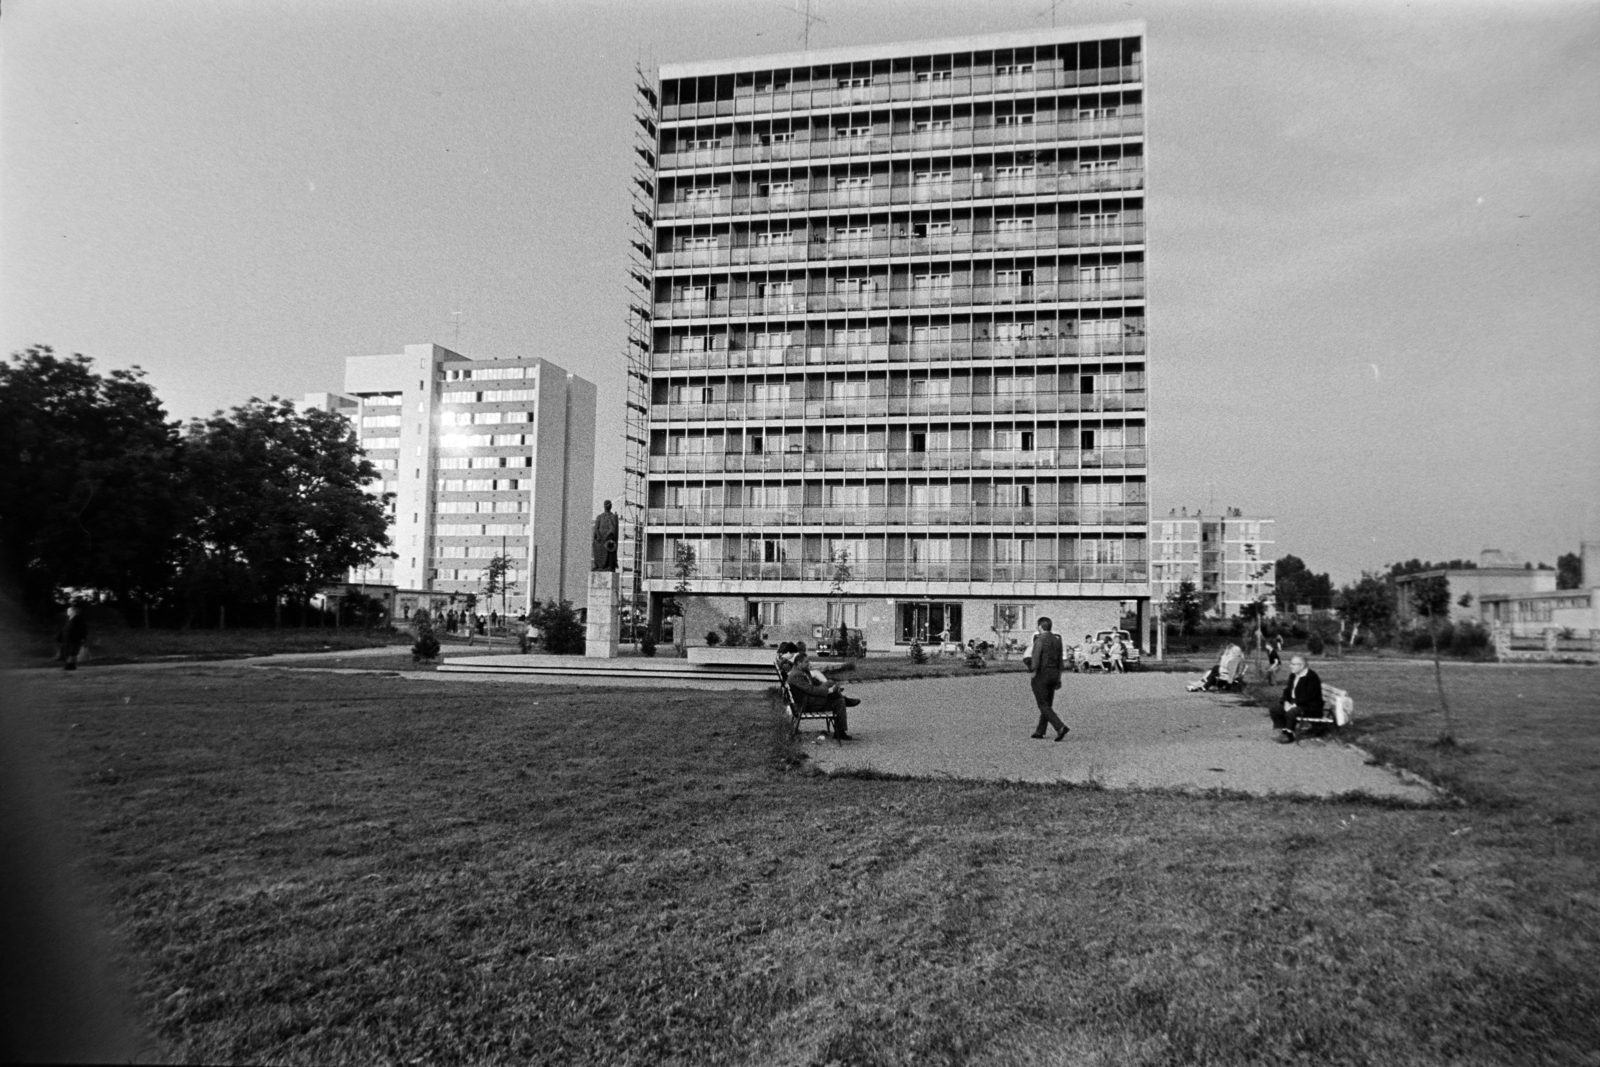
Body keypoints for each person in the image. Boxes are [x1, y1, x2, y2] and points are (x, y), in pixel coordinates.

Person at [785, 646, 859, 739]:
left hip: (809, 700)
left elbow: (813, 684)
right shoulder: (796, 675)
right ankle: (840, 731)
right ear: (799, 663)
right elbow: (810, 690)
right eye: (806, 662)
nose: (809, 663)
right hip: (806, 705)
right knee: (839, 701)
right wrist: (829, 691)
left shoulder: (801, 671)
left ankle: (843, 699)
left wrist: (826, 686)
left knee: (830, 683)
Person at [1023, 617, 1069, 741]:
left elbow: (1036, 658)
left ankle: (1060, 726)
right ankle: (1040, 731)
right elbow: (1060, 660)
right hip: (1054, 673)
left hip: (1042, 673)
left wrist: (1032, 669)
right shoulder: (1057, 640)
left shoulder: (1040, 640)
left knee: (1042, 704)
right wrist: (1059, 677)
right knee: (1047, 704)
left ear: (1040, 627)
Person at [1272, 654, 1324, 744]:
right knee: (1275, 709)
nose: (1290, 666)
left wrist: (1294, 704)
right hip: (1295, 702)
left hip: (1310, 706)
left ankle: (1289, 735)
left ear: (1302, 665)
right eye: (1290, 664)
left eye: (1293, 664)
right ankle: (1284, 730)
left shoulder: (1311, 677)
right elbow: (1287, 690)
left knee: (1291, 712)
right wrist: (1285, 701)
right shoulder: (1293, 675)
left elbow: (1309, 696)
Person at [56, 603, 88, 671]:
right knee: (68, 651)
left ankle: (71, 665)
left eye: (69, 611)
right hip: (68, 639)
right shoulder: (69, 620)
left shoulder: (78, 619)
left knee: (73, 652)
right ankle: (69, 664)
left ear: (73, 611)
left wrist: (83, 638)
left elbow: (83, 629)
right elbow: (64, 629)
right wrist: (60, 637)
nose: (68, 612)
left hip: (75, 639)